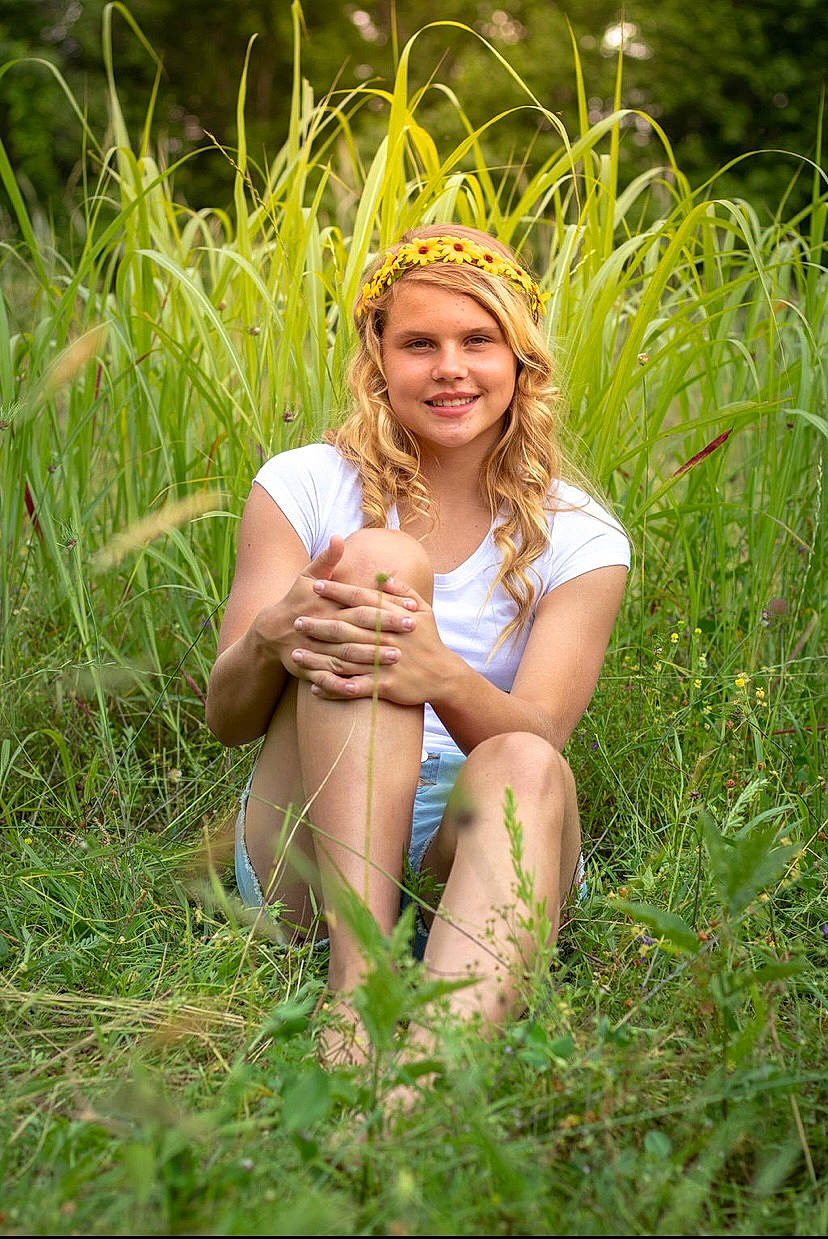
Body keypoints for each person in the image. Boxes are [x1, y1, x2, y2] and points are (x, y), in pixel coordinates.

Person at [205, 224, 630, 1068]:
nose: (450, 368)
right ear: (378, 361)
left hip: (476, 845)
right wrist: (273, 637)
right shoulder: (303, 483)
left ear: (521, 361)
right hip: (311, 842)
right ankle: (355, 997)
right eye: (418, 343)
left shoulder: (581, 535)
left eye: (479, 340)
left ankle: (428, 1070)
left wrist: (436, 673)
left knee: (525, 761)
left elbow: (538, 740)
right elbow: (226, 717)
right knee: (376, 567)